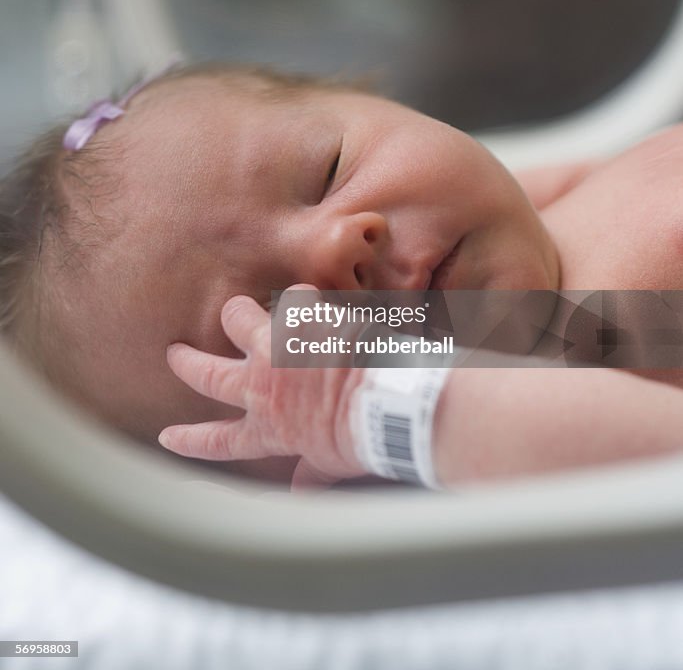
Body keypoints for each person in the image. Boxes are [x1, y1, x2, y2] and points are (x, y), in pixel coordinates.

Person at [3, 60, 683, 489]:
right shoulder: (544, 361)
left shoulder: (546, 208)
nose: (335, 247)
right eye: (275, 314)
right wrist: (376, 407)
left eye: (327, 170)